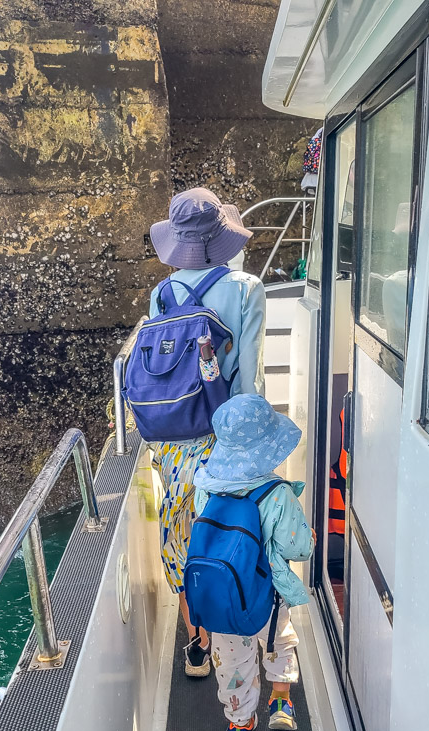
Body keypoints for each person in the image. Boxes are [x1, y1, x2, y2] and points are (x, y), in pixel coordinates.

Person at [148, 187, 266, 678]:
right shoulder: (246, 287)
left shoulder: (162, 293)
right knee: (230, 533)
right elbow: (250, 379)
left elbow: (161, 375)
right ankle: (235, 644)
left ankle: (196, 648)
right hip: (226, 441)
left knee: (181, 540)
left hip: (175, 441)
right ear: (221, 237)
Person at [193, 393, 315, 731]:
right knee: (279, 642)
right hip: (269, 594)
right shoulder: (277, 493)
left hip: (226, 598)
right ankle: (280, 702)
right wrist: (311, 539)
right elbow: (298, 548)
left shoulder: (205, 488)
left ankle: (240, 726)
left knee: (232, 661)